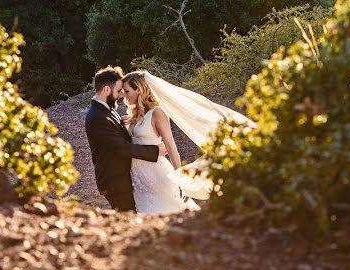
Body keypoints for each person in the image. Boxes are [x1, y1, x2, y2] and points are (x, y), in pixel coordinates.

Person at [120, 70, 257, 214]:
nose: (124, 95)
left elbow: (171, 147)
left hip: (156, 174)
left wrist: (181, 179)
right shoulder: (134, 115)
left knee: (168, 212)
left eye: (127, 91)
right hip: (139, 177)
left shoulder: (157, 113)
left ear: (139, 90)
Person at [83, 66, 166, 212]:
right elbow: (121, 148)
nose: (121, 95)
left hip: (123, 178)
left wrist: (131, 122)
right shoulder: (97, 116)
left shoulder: (106, 109)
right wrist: (155, 151)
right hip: (114, 182)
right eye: (118, 91)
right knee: (130, 219)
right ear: (107, 90)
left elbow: (118, 137)